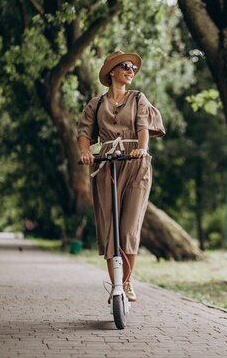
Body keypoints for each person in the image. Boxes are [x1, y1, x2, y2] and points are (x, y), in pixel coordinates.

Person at [77, 50, 165, 302]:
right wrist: (85, 151)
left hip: (136, 163)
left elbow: (143, 128)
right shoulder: (95, 104)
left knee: (128, 228)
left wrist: (142, 148)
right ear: (112, 71)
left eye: (134, 69)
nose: (131, 71)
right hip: (106, 165)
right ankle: (115, 283)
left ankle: (126, 283)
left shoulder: (138, 99)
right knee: (110, 230)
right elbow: (84, 131)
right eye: (126, 66)